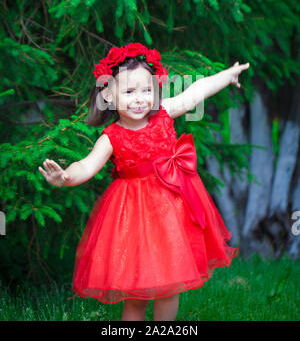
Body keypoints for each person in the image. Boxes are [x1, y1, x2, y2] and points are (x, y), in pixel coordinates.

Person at [38, 42, 250, 321]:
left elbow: (195, 92)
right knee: (136, 293)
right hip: (133, 217)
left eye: (146, 90)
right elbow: (87, 165)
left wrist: (227, 76)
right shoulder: (111, 136)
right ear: (109, 96)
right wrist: (65, 177)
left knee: (169, 288)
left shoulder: (163, 115)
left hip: (171, 210)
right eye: (128, 92)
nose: (139, 99)